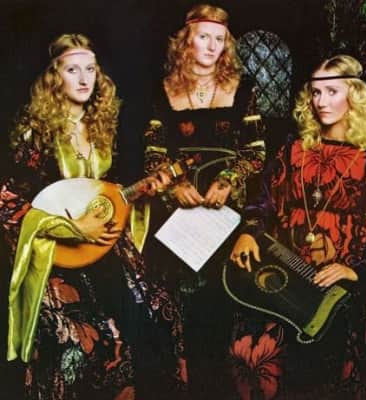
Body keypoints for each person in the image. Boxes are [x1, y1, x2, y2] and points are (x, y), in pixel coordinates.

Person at [2, 33, 183, 399]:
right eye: (73, 70)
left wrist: (144, 190)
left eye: (90, 69)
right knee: (83, 338)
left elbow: (106, 194)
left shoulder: (102, 126)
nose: (84, 79)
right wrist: (69, 227)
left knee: (160, 312)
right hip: (59, 254)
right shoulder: (36, 133)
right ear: (55, 77)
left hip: (106, 244)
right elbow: (7, 200)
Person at [229, 54, 366, 399]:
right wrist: (248, 232)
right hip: (285, 283)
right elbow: (262, 201)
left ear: (354, 95)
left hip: (338, 296)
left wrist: (355, 269)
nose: (321, 102)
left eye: (332, 92)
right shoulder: (292, 151)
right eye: (316, 93)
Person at [142, 4, 265, 398]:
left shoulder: (243, 89)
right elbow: (153, 153)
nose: (212, 46)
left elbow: (257, 152)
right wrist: (174, 186)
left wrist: (230, 179)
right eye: (204, 37)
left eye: (220, 39)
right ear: (186, 41)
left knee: (223, 308)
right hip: (179, 217)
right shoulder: (162, 90)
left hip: (226, 213)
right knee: (183, 310)